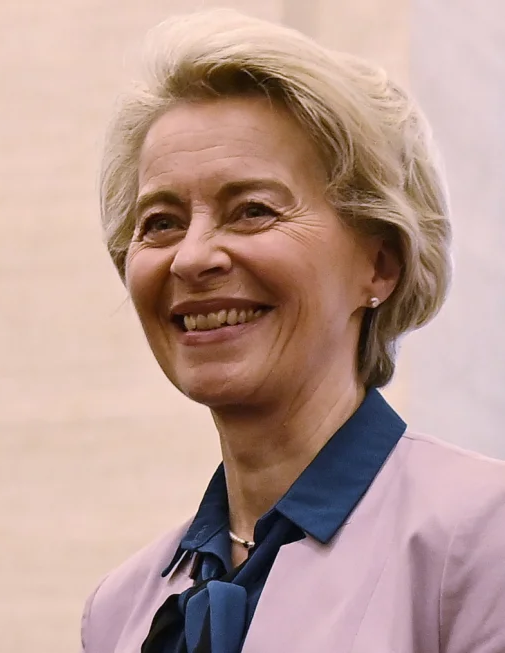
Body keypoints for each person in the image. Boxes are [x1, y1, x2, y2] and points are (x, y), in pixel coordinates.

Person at [81, 10, 505, 653]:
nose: (192, 257)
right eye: (161, 222)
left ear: (380, 264)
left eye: (253, 210)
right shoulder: (120, 610)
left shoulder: (482, 538)